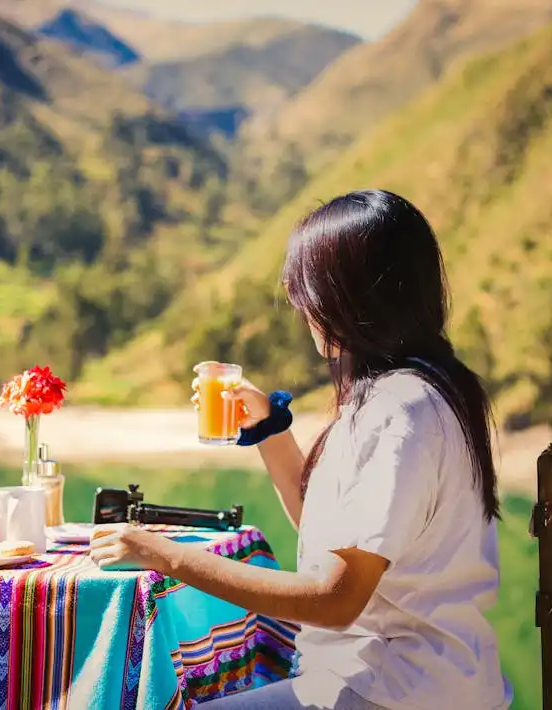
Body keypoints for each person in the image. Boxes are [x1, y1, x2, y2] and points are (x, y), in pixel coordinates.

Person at [90, 190, 512, 710]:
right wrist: (270, 428)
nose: (298, 303)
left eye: (306, 289)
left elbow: (335, 600)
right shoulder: (426, 390)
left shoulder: (399, 413)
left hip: (390, 690)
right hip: (419, 682)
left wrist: (161, 554)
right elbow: (330, 532)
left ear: (350, 298)